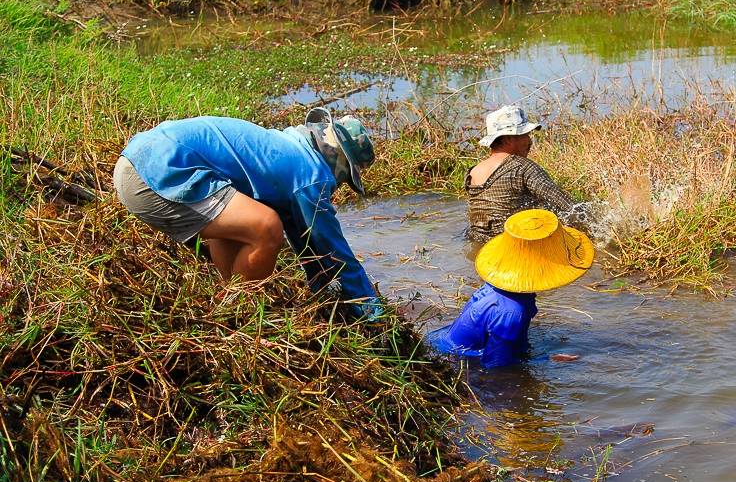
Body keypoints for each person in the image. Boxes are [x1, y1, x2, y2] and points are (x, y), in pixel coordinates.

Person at [112, 108, 381, 318]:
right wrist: (371, 308)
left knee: (240, 226)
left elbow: (307, 243)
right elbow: (334, 251)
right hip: (155, 174)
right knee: (265, 227)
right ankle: (242, 317)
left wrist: (320, 288)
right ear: (340, 162)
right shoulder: (311, 173)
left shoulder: (286, 146)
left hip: (133, 163)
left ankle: (229, 305)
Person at [429, 208, 594, 368]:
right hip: (457, 359)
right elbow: (495, 364)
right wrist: (547, 360)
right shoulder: (511, 312)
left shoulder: (500, 287)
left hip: (443, 342)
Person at [466, 105, 576, 243]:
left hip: (481, 247)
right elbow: (568, 206)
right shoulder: (522, 167)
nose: (530, 141)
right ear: (508, 139)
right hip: (517, 245)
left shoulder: (473, 171)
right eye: (525, 135)